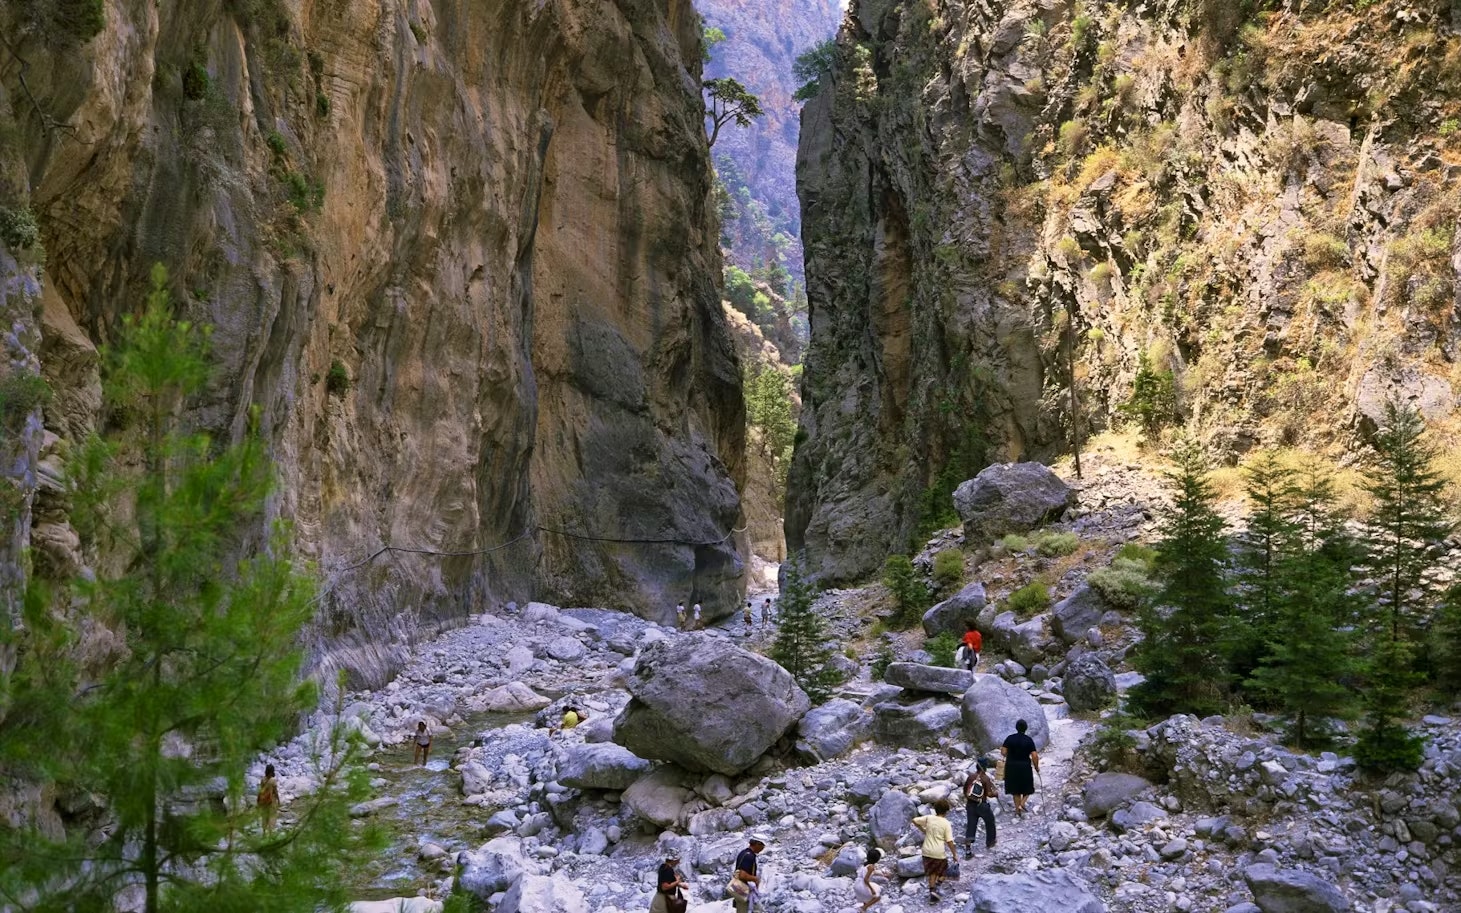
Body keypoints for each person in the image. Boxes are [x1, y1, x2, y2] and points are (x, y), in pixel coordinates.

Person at [912, 798, 957, 903]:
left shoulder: (929, 818)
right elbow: (949, 841)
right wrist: (954, 854)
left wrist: (923, 830)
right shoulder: (946, 823)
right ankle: (937, 886)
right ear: (946, 811)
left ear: (935, 809)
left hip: (926, 851)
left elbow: (914, 820)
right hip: (938, 852)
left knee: (932, 873)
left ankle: (932, 896)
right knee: (945, 872)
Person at [1001, 719, 1040, 817]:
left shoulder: (1010, 738)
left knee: (1015, 790)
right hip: (1025, 767)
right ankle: (1022, 804)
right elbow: (1034, 755)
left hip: (1011, 767)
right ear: (1026, 728)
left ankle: (1017, 810)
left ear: (1016, 727)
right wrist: (1036, 767)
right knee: (1028, 788)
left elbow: (1003, 752)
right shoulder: (1029, 740)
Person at [962, 758, 997, 852]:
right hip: (982, 805)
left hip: (970, 805)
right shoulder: (985, 778)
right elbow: (989, 793)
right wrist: (995, 794)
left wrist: (969, 799)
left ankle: (968, 848)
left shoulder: (970, 777)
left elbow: (965, 790)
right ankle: (990, 842)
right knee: (990, 821)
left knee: (971, 825)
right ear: (985, 767)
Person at [730, 834, 765, 913]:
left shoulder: (744, 853)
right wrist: (755, 879)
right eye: (763, 846)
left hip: (739, 889)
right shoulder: (749, 856)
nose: (763, 848)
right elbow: (742, 875)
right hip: (744, 890)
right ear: (757, 844)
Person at [853, 846, 882, 911]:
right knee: (877, 897)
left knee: (866, 897)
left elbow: (871, 873)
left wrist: (883, 874)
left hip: (857, 883)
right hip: (862, 884)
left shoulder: (866, 864)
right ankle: (863, 908)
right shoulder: (871, 867)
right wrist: (872, 890)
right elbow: (866, 880)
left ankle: (864, 907)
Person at [256, 763, 279, 832]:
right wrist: (278, 800)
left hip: (264, 801)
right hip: (271, 801)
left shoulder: (263, 779)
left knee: (264, 816)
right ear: (272, 771)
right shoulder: (273, 780)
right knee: (272, 816)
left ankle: (264, 831)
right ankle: (270, 832)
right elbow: (275, 791)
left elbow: (261, 790)